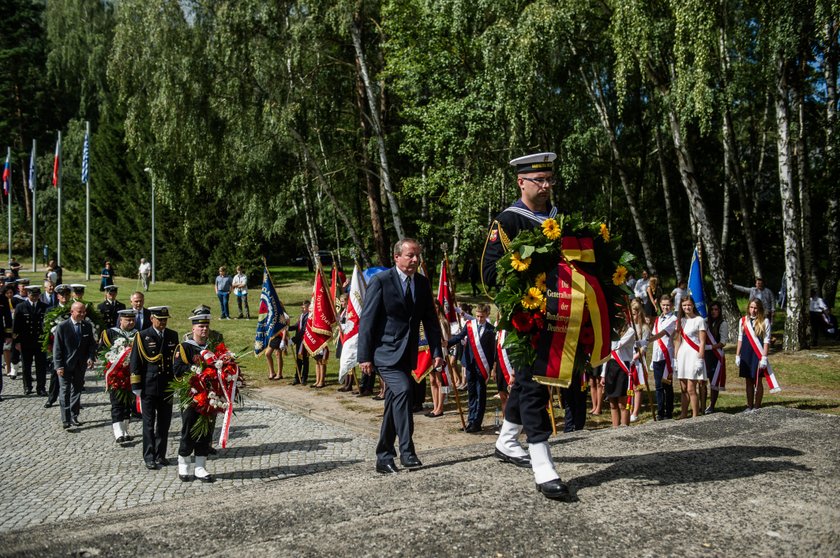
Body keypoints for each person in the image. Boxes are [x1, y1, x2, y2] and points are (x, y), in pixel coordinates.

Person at [481, 151, 570, 500]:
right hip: (526, 317)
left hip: (560, 314)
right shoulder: (507, 221)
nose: (546, 186)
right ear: (521, 182)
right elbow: (490, 276)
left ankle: (505, 441)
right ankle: (543, 465)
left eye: (550, 179)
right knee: (534, 386)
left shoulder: (558, 218)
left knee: (527, 382)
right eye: (539, 180)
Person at [358, 238, 443, 475]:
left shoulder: (423, 284)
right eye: (410, 255)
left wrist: (437, 351)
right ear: (397, 257)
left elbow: (431, 321)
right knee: (404, 391)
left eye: (417, 256)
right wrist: (364, 356)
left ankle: (383, 456)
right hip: (383, 354)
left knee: (394, 402)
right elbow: (367, 320)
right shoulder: (381, 281)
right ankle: (407, 452)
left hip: (407, 355)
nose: (415, 260)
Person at [130, 306, 179, 470]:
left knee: (164, 423)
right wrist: (136, 385)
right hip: (149, 386)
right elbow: (135, 362)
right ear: (152, 319)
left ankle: (161, 454)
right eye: (160, 319)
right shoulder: (142, 336)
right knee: (149, 423)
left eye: (165, 320)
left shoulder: (172, 335)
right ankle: (149, 456)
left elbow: (175, 361)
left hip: (166, 386)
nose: (163, 322)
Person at [172, 312, 216, 483]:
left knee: (205, 431)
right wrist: (196, 370)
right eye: (200, 326)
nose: (204, 329)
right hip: (191, 396)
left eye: (206, 326)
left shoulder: (212, 346)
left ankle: (200, 466)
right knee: (189, 430)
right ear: (193, 328)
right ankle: (183, 463)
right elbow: (177, 370)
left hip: (210, 397)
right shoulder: (184, 347)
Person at [447, 303, 495, 433]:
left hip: (482, 367)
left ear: (487, 315)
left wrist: (490, 369)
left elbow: (492, 352)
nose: (479, 319)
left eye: (482, 317)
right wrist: (447, 343)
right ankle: (470, 420)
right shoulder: (469, 326)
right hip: (469, 364)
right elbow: (459, 337)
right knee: (472, 393)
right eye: (478, 316)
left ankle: (477, 423)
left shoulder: (491, 330)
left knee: (481, 394)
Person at [53, 301, 97, 429]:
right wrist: (59, 366)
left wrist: (90, 357)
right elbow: (57, 349)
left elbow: (91, 345)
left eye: (84, 312)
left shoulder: (87, 326)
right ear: (72, 312)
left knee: (77, 390)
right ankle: (66, 418)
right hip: (65, 365)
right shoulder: (62, 327)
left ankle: (74, 415)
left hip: (80, 365)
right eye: (80, 312)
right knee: (65, 391)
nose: (82, 314)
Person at [602, 300, 645, 428]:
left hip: (622, 367)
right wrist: (603, 374)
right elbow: (607, 354)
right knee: (612, 403)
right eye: (615, 317)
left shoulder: (630, 331)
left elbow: (616, 346)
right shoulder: (611, 330)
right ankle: (615, 428)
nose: (618, 319)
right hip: (611, 366)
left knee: (622, 403)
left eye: (620, 316)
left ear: (625, 316)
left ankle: (624, 427)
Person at [100, 309, 139, 444]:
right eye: (127, 320)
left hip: (131, 375)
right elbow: (103, 352)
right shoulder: (110, 333)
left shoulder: (138, 335)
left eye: (133, 320)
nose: (131, 322)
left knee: (128, 403)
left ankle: (125, 429)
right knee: (117, 403)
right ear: (120, 320)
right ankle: (118, 432)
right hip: (116, 375)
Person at [735, 299, 771, 413]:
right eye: (751, 307)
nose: (753, 310)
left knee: (757, 380)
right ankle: (749, 405)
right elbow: (740, 339)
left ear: (759, 309)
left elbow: (766, 341)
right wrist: (737, 355)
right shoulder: (743, 320)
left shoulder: (765, 321)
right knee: (748, 381)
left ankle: (757, 406)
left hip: (758, 354)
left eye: (755, 308)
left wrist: (764, 357)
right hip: (746, 353)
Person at [673, 296, 707, 419]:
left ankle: (695, 415)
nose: (687, 307)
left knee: (691, 388)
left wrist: (700, 359)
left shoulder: (699, 320)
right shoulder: (680, 321)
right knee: (683, 388)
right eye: (684, 305)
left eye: (689, 305)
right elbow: (677, 341)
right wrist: (675, 359)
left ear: (693, 305)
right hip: (682, 355)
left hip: (694, 356)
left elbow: (702, 342)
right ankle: (683, 413)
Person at [13, 285, 49, 396]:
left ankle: (41, 387)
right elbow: (16, 326)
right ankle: (27, 387)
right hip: (25, 341)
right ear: (28, 295)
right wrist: (17, 341)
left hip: (40, 341)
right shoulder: (21, 307)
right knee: (26, 366)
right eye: (32, 295)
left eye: (36, 295)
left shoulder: (45, 307)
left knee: (41, 366)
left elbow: (47, 325)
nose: (34, 297)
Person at [646, 295, 677, 420]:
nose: (665, 307)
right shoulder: (658, 319)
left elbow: (662, 334)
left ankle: (668, 412)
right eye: (663, 305)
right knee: (658, 386)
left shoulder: (674, 319)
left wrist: (647, 340)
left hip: (667, 357)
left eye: (668, 305)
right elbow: (653, 333)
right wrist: (647, 326)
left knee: (667, 385)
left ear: (672, 305)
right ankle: (660, 411)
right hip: (657, 355)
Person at [42, 284, 72, 409]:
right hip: (57, 346)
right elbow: (46, 329)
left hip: (71, 346)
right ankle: (52, 398)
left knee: (72, 374)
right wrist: (48, 344)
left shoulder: (74, 309)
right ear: (58, 296)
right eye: (62, 295)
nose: (64, 297)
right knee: (56, 373)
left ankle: (72, 400)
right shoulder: (51, 310)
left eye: (66, 294)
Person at [704, 301, 729, 414]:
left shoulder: (723, 323)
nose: (714, 312)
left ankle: (712, 405)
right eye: (712, 309)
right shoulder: (705, 321)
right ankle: (702, 405)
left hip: (716, 355)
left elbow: (723, 342)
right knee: (703, 380)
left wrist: (710, 347)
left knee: (713, 382)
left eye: (716, 309)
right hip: (705, 355)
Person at [287, 300, 310, 385]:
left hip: (305, 341)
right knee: (298, 360)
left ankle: (304, 378)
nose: (302, 309)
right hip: (299, 341)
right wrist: (288, 328)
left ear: (308, 308)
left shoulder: (309, 317)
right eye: (302, 307)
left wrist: (293, 340)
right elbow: (297, 326)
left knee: (305, 360)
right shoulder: (301, 316)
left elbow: (303, 330)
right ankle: (297, 377)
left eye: (303, 307)